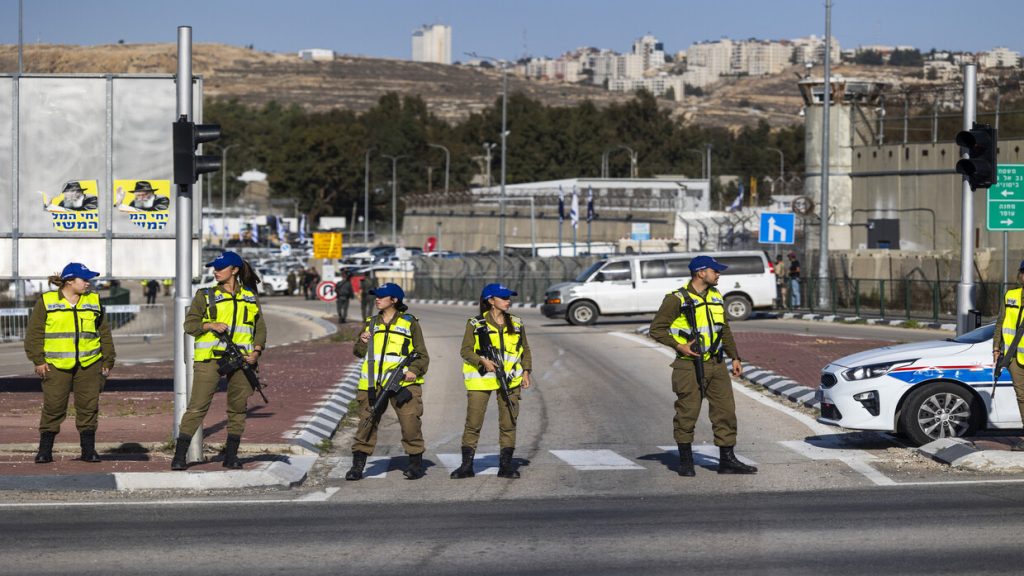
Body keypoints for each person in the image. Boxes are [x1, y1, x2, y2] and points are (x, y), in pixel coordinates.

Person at [649, 255, 757, 476]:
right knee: (687, 413)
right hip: (688, 366)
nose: (718, 274)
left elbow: (724, 329)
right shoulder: (676, 299)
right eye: (715, 271)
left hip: (717, 364)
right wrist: (679, 346)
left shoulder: (716, 296)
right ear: (701, 273)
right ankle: (686, 462)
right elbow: (656, 329)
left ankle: (727, 461)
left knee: (725, 412)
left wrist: (735, 357)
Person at [171, 251, 267, 470]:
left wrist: (256, 351)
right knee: (197, 407)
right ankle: (179, 456)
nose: (215, 272)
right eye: (214, 268)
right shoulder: (205, 295)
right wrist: (210, 325)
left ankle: (231, 456)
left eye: (220, 268)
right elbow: (190, 325)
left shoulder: (250, 296)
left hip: (242, 360)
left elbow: (260, 327)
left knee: (238, 408)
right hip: (210, 359)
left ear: (234, 270)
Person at [23, 262, 115, 464]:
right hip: (55, 365)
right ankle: (45, 450)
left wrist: (108, 360)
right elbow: (34, 334)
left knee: (89, 407)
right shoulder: (47, 301)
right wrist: (38, 360)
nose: (88, 283)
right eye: (84, 279)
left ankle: (88, 451)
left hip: (90, 364)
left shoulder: (94, 300)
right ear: (70, 281)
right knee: (53, 407)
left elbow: (104, 332)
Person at [345, 282, 430, 481]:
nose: (377, 299)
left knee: (410, 423)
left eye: (381, 296)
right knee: (366, 423)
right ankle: (358, 466)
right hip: (372, 384)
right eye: (376, 296)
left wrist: (413, 370)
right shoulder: (371, 323)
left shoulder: (409, 323)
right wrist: (362, 341)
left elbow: (422, 355)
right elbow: (358, 352)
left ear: (394, 300)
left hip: (403, 383)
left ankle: (415, 463)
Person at [450, 283, 532, 480]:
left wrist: (526, 372)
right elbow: (466, 350)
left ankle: (505, 466)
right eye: (503, 298)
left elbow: (525, 349)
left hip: (510, 380)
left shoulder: (517, 323)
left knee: (508, 423)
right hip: (481, 380)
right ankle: (466, 466)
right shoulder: (475, 323)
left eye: (509, 298)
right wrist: (482, 361)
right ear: (491, 300)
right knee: (473, 423)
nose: (508, 301)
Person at [993, 260, 1024, 451]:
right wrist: (996, 348)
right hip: (1015, 358)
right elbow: (1000, 323)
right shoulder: (1010, 296)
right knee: (1022, 397)